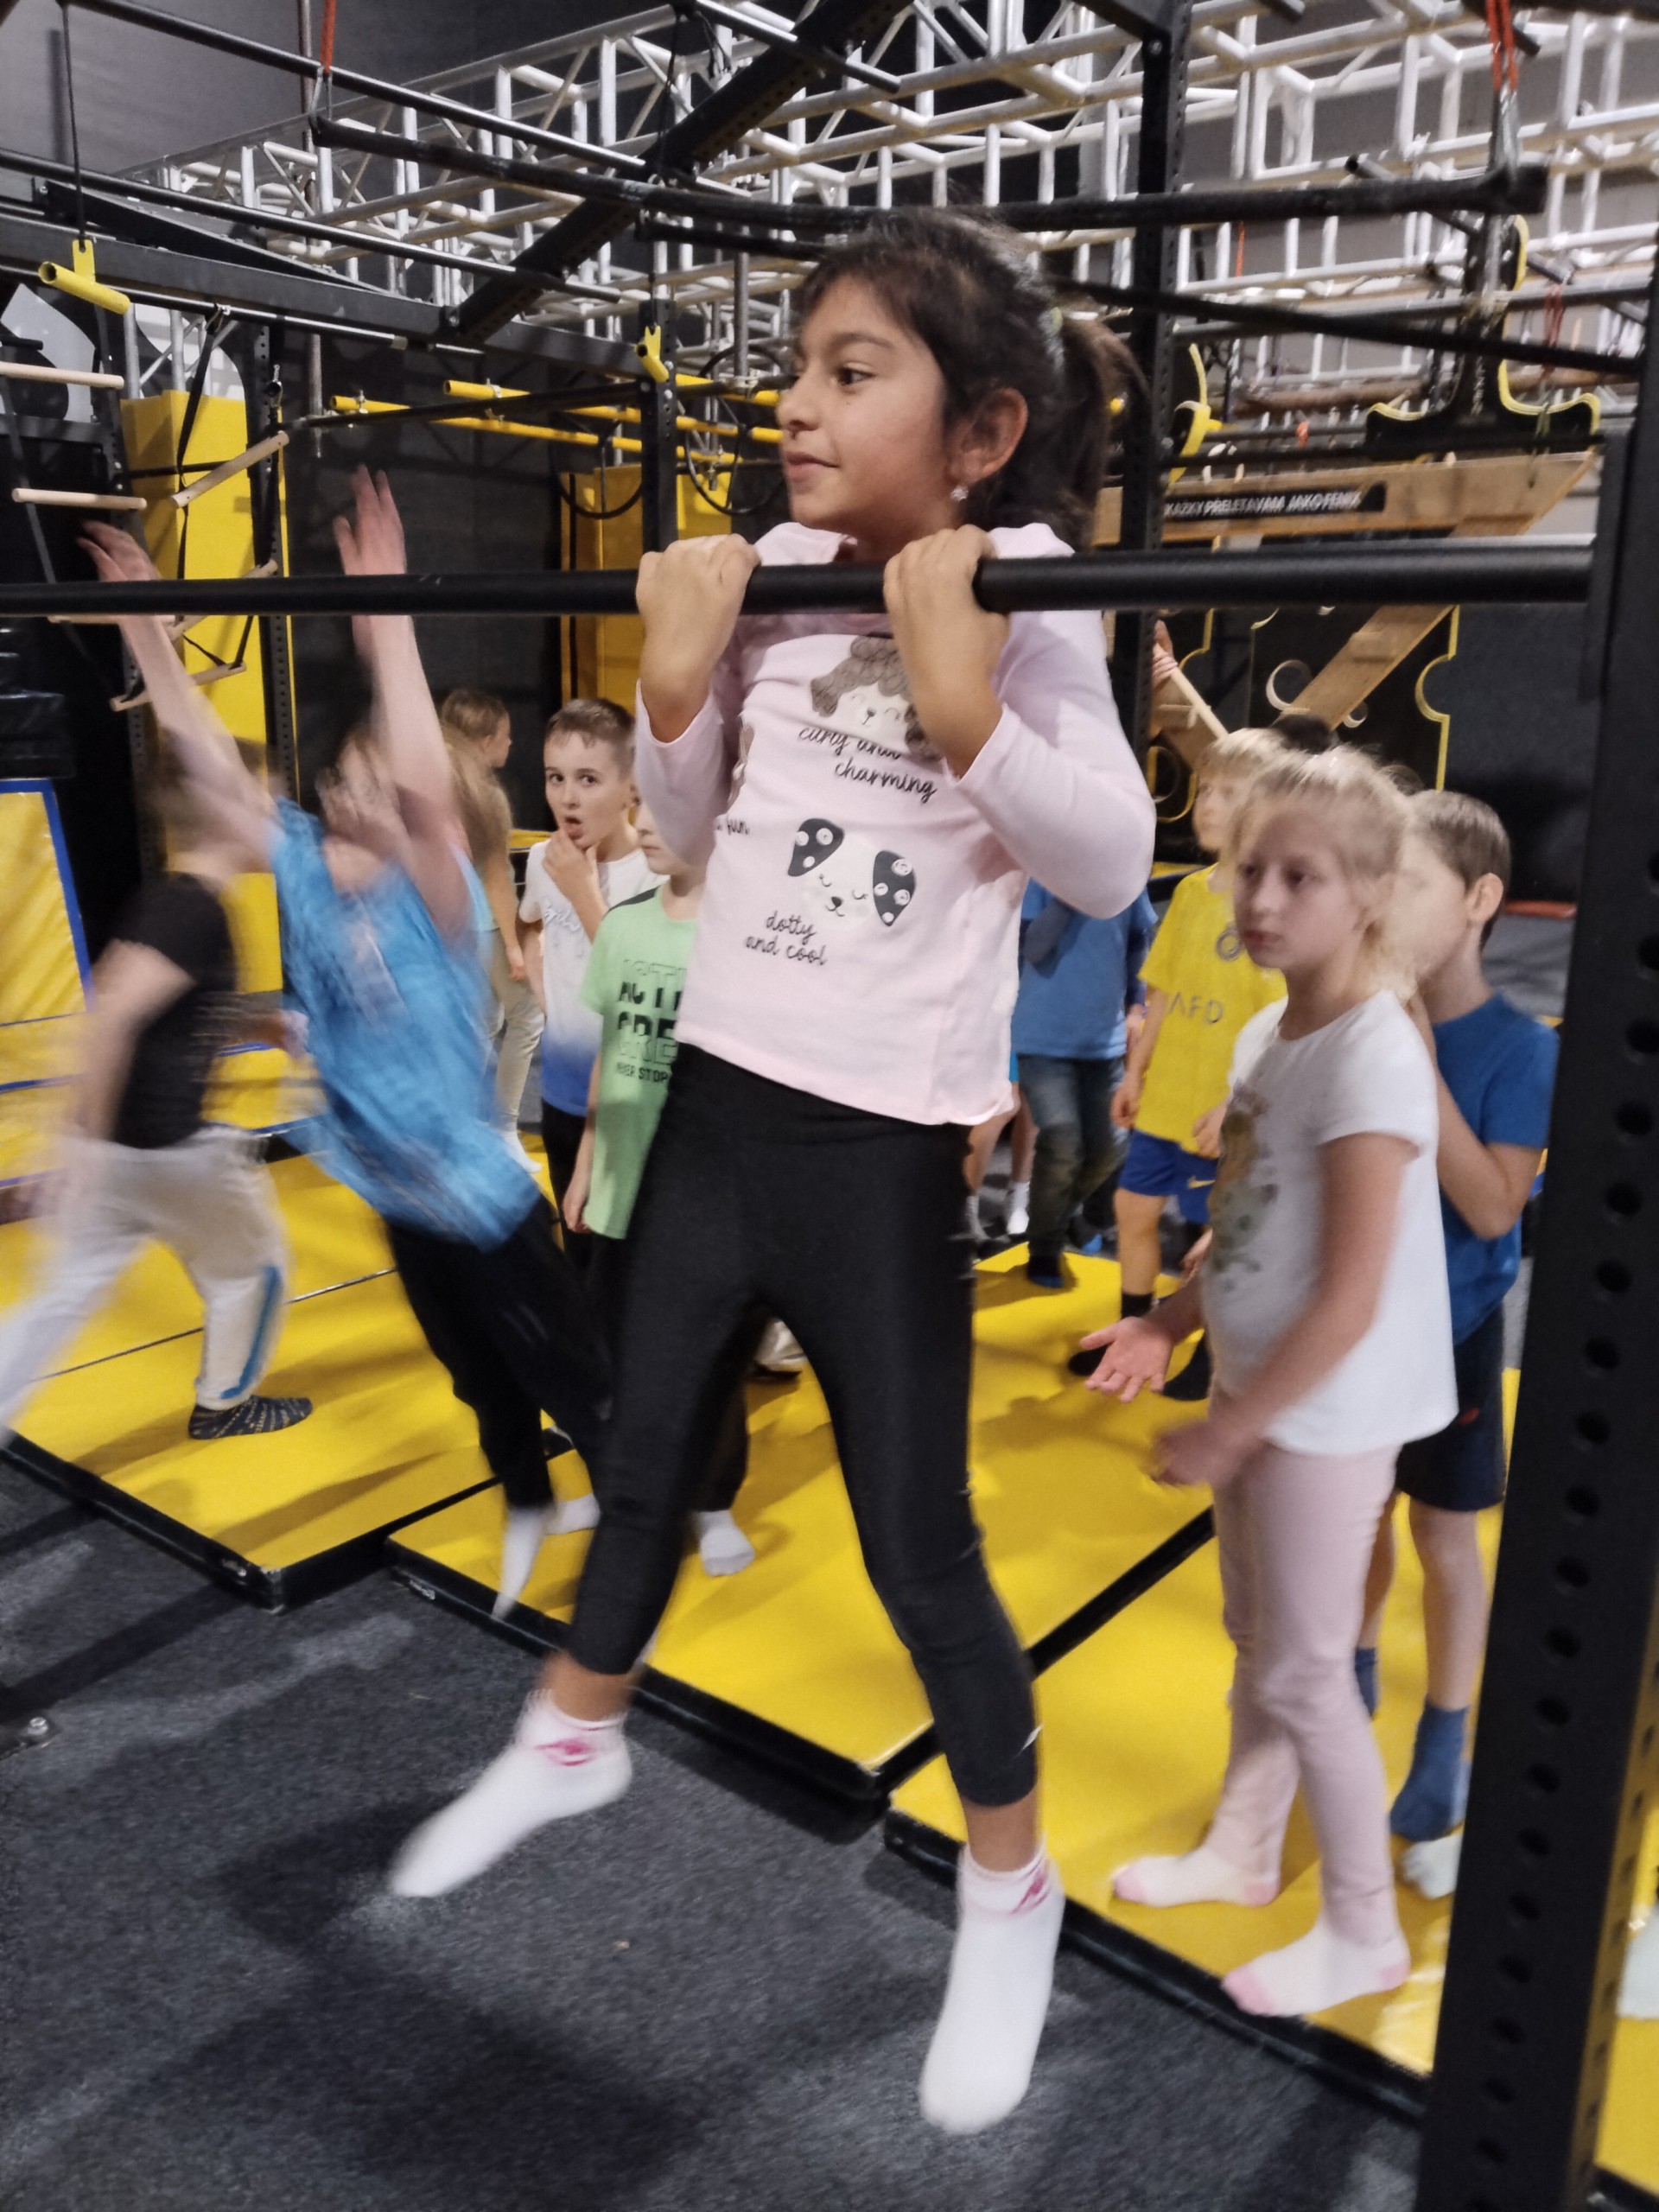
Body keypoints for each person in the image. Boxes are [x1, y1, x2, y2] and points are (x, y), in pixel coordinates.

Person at [387, 207, 1155, 2135]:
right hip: (721, 1094)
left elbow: (1108, 858)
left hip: (877, 1136)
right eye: (795, 367)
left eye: (849, 372)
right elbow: (695, 811)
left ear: (981, 433)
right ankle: (577, 1725)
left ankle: (1011, 1882)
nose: (794, 404)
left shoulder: (1032, 583)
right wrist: (672, 682)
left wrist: (965, 700)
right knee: (646, 1437)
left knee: (916, 1543)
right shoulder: (782, 571)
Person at [79, 477, 613, 1616]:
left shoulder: (435, 895)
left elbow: (423, 774)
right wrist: (146, 631)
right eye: (344, 771)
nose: (349, 782)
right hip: (403, 1201)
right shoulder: (307, 873)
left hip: (484, 1203)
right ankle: (531, 1504)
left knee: (576, 1381)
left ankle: (637, 1536)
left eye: (376, 777)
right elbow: (210, 765)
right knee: (480, 1382)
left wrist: (386, 622)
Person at [1084, 745, 1456, 2019]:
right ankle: (1243, 1848)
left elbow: (1350, 1292)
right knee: (1259, 1644)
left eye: (1301, 877)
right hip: (1255, 1386)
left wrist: (1232, 1428)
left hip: (1323, 1413)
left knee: (1305, 1667)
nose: (1261, 899)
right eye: (1253, 870)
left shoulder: (1370, 1055)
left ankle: (1364, 1931)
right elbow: (1241, 1227)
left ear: (1370, 896)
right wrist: (1169, 1321)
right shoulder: (1267, 1032)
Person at [0, 749, 310, 1446]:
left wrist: (256, 1025)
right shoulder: (193, 909)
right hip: (171, 1156)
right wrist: (76, 1141)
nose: (278, 818)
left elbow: (169, 1014)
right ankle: (225, 1404)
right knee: (255, 1269)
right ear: (224, 811)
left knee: (59, 1299)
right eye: (267, 801)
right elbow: (111, 1016)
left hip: (120, 1156)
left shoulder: (177, 900)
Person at [1356, 792, 1557, 1842]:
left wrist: (1418, 1067)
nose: (1382, 903)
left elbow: (1490, 1206)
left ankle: (1445, 1738)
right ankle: (1347, 1683)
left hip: (1455, 1327)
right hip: (1355, 1323)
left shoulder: (1521, 1050)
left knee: (1441, 1533)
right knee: (1354, 1518)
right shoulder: (1356, 1018)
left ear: (1479, 899)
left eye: (1410, 884)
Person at [562, 801, 757, 1580]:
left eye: (666, 805)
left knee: (707, 1358)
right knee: (610, 1351)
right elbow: (612, 1050)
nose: (642, 822)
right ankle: (615, 1485)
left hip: (701, 1193)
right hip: (620, 1182)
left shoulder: (742, 939)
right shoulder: (624, 928)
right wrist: (585, 1164)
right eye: (639, 802)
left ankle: (712, 1500)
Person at [1108, 728, 1287, 1400]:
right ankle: (1130, 1336)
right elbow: (1161, 994)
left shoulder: (1276, 906)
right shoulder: (1188, 894)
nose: (1207, 804)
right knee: (1132, 1210)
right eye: (1205, 789)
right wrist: (1134, 1073)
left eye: (1227, 793)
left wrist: (1239, 1102)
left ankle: (1210, 1359)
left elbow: (1289, 1023)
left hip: (1223, 1111)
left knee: (1218, 1243)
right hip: (1166, 1099)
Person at [518, 698, 652, 1239]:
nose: (567, 798)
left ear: (630, 787)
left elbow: (640, 981)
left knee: (622, 1253)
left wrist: (582, 891)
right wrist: (544, 991)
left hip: (628, 1105)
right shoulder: (543, 859)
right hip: (560, 1093)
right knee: (577, 1246)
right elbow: (529, 924)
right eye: (556, 777)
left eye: (588, 779)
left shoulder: (656, 872)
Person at [1015, 878, 1157, 1288]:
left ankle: (1065, 1219)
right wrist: (1072, 893)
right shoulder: (1043, 875)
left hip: (1103, 1040)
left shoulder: (1125, 877)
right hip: (1040, 1037)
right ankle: (1044, 1247)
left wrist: (1136, 1006)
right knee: (1062, 1140)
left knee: (1109, 1147)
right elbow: (1032, 947)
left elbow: (1137, 941)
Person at [441, 688, 543, 1161]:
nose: (511, 743)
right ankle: (502, 1128)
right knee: (528, 1016)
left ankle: (458, 1120)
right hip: (484, 926)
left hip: (452, 928)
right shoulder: (483, 797)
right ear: (485, 742)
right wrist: (516, 947)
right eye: (505, 736)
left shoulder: (435, 788)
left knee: (485, 1022)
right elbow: (498, 880)